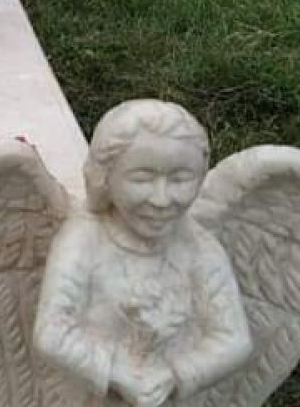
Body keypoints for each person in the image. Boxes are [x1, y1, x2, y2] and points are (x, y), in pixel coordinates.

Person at [34, 101, 252, 407]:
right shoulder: (83, 241)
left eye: (179, 180)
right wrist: (116, 374)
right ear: (105, 178)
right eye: (141, 179)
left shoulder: (199, 248)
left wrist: (176, 375)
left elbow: (234, 338)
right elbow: (52, 331)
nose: (161, 199)